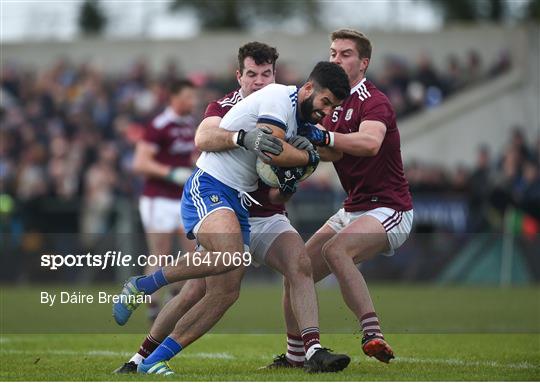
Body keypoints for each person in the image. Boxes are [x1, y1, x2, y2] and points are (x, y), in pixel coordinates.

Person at [114, 41, 349, 375]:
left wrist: (297, 170)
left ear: (274, 74)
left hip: (254, 207)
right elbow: (208, 138)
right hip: (214, 189)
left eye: (265, 73)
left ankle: (311, 351)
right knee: (202, 282)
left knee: (246, 284)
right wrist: (262, 143)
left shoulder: (293, 106)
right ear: (239, 76)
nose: (258, 80)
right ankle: (141, 325)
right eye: (251, 74)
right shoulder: (251, 102)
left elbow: (312, 159)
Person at [266, 28, 414, 367]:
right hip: (354, 208)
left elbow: (368, 144)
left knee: (336, 250)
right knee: (296, 268)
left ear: (363, 63)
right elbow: (329, 153)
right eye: (333, 53)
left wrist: (323, 137)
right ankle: (294, 356)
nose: (336, 59)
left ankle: (372, 333)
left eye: (345, 53)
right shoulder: (331, 103)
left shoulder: (374, 101)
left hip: (389, 207)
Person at [131, 79, 198, 322]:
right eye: (189, 97)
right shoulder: (159, 125)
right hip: (157, 198)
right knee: (160, 252)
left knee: (193, 252)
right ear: (174, 98)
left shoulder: (190, 124)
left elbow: (189, 155)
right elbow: (140, 163)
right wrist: (170, 173)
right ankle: (152, 306)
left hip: (182, 198)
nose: (193, 101)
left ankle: (174, 300)